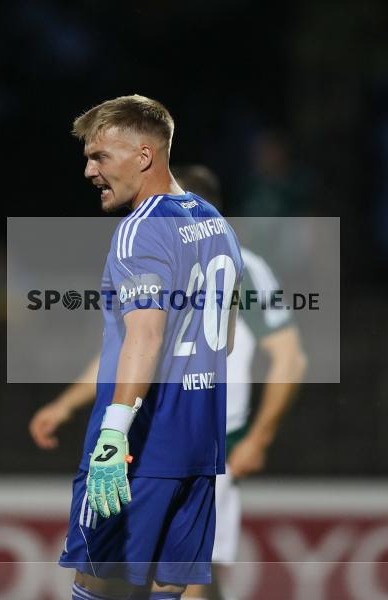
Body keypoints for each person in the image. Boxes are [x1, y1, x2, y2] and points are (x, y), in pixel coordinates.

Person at [32, 165, 307, 600]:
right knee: (177, 577)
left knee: (114, 574)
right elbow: (134, 349)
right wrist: (66, 404)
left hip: (170, 435)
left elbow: (289, 358)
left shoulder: (178, 251)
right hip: (191, 437)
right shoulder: (222, 253)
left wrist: (259, 437)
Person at [56, 94, 244, 600]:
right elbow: (225, 338)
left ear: (143, 155)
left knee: (95, 582)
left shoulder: (140, 231)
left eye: (100, 157)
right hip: (199, 444)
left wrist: (114, 434)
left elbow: (146, 335)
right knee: (167, 588)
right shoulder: (217, 224)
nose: (90, 171)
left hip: (140, 443)